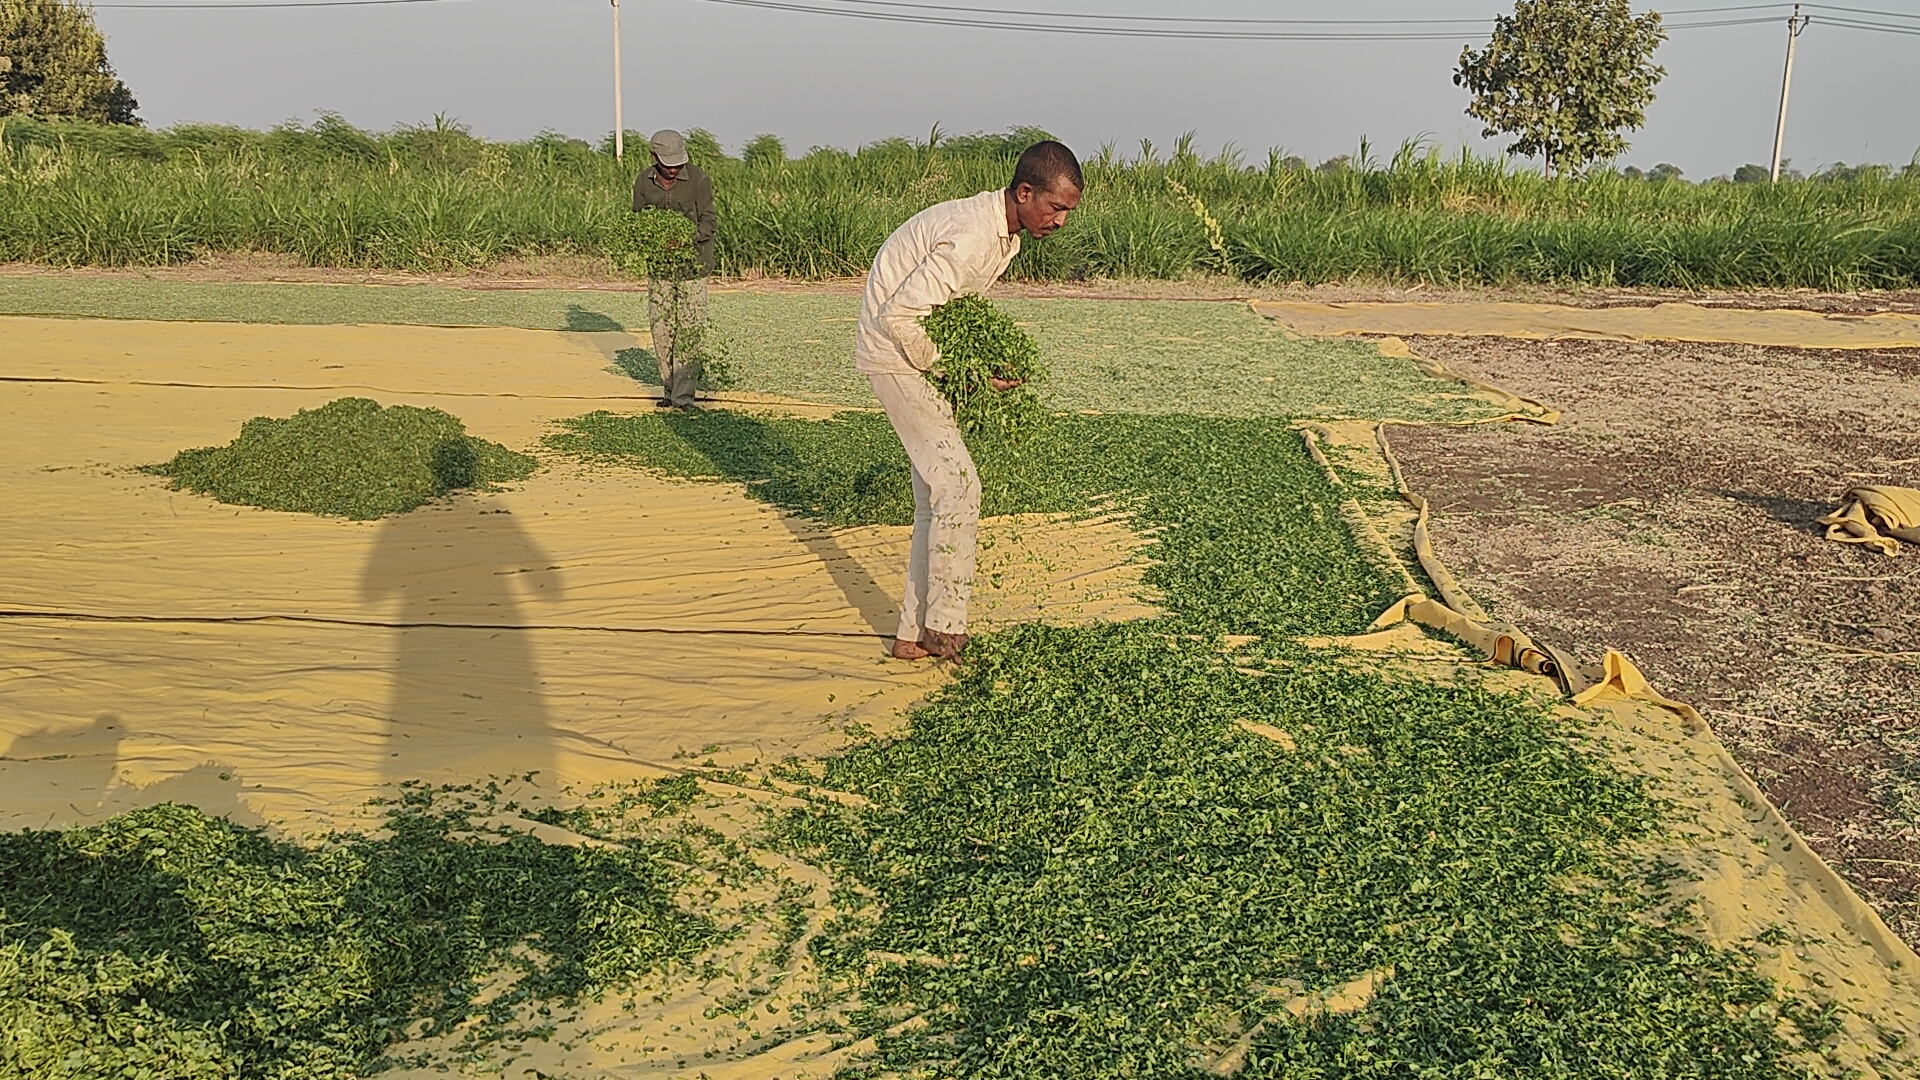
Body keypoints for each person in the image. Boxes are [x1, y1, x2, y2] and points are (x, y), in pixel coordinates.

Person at [856, 140, 1083, 663]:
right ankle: (944, 626)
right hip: (895, 357)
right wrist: (959, 370)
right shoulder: (973, 236)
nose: (1060, 221)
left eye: (1068, 212)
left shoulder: (1007, 238)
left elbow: (951, 312)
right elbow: (901, 316)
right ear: (1024, 192)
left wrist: (978, 366)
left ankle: (911, 635)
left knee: (935, 499)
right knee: (959, 487)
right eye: (1055, 208)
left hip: (918, 356)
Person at [631, 129, 717, 409]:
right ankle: (669, 390)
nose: (674, 169)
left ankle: (684, 397)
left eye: (678, 164)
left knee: (690, 329)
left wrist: (683, 238)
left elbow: (708, 223)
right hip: (660, 267)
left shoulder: (698, 180)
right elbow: (638, 221)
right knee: (661, 328)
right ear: (653, 157)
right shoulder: (643, 182)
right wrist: (652, 239)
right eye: (668, 164)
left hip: (693, 264)